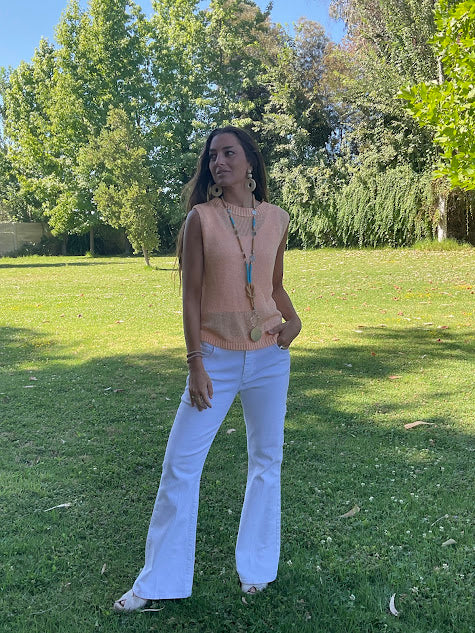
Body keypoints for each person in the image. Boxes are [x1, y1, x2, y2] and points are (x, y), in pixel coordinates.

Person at [114, 126, 301, 612]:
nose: (219, 162)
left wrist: (295, 318)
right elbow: (191, 297)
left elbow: (273, 285)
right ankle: (157, 582)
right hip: (214, 359)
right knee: (180, 465)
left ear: (249, 162)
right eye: (212, 156)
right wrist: (195, 361)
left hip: (269, 358)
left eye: (228, 153)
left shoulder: (278, 219)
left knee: (267, 461)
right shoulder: (200, 219)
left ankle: (256, 570)